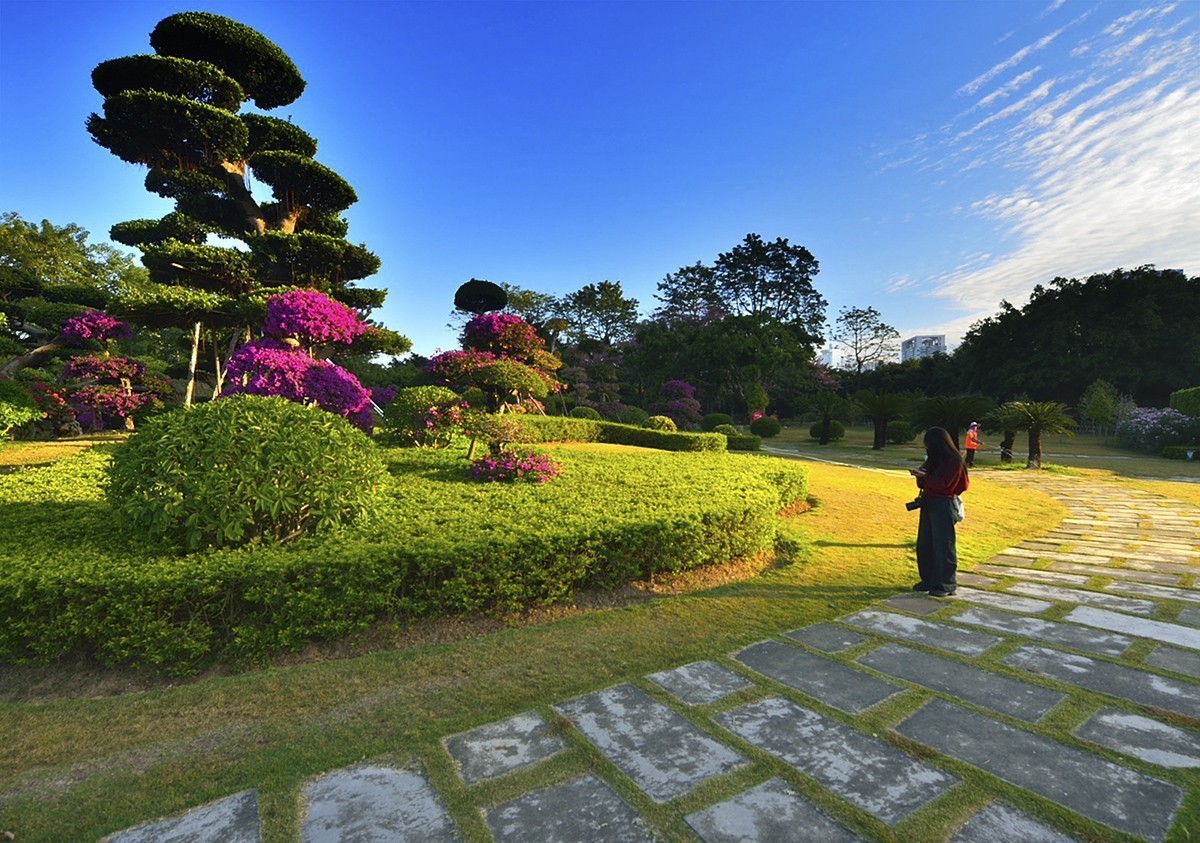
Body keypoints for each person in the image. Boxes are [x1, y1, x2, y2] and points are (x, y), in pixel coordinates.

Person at [909, 427, 969, 597]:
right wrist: (920, 475)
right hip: (929, 503)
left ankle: (946, 584)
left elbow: (945, 485)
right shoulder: (933, 459)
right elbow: (925, 483)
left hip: (943, 504)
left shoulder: (954, 461)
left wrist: (926, 476)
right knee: (925, 544)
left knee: (944, 545)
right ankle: (928, 580)